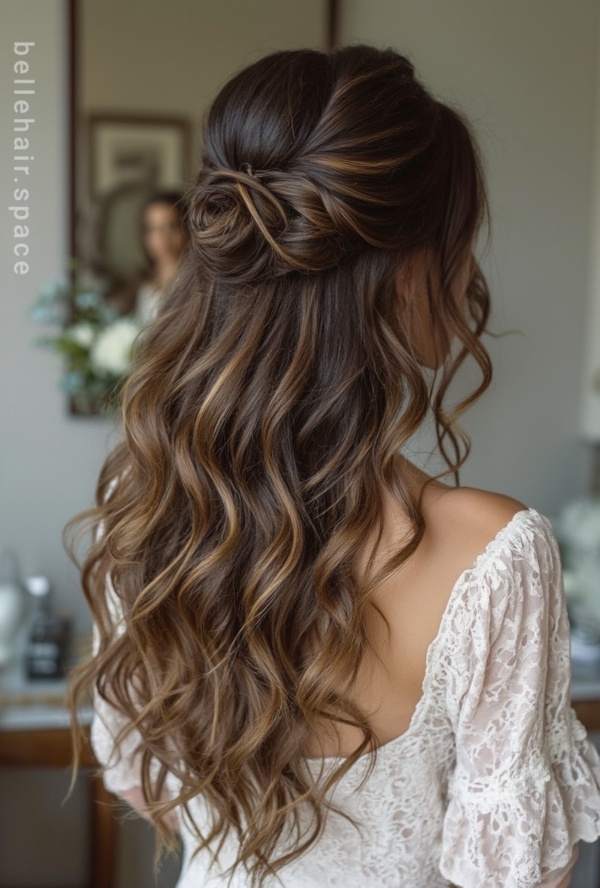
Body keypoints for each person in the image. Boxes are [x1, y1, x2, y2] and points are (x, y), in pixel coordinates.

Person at [66, 45, 600, 888]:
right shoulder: (493, 558)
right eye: (457, 241)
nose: (467, 275)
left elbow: (147, 784)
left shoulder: (147, 509)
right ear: (402, 273)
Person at [105, 189, 188, 325]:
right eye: (153, 229)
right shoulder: (139, 283)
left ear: (186, 228)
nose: (163, 238)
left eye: (172, 226)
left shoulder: (200, 283)